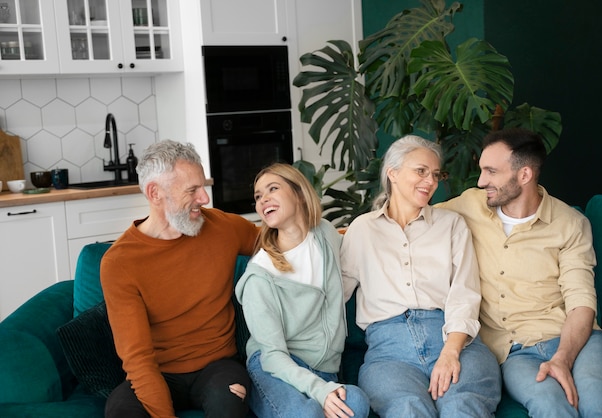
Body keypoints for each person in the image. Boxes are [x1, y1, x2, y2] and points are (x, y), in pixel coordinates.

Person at [437, 128, 602, 417]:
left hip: (579, 340)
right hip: (515, 352)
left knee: (600, 404)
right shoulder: (469, 206)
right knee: (551, 407)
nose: (481, 181)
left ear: (524, 175)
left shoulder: (570, 224)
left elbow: (581, 302)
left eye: (491, 171)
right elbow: (412, 216)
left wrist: (562, 358)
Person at [341, 135, 502, 418]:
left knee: (460, 407)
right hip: (389, 353)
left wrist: (451, 352)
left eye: (435, 174)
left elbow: (464, 292)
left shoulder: (451, 225)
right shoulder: (362, 230)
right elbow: (335, 292)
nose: (430, 181)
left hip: (454, 340)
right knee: (407, 409)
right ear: (392, 173)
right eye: (420, 171)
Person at [101, 140, 259, 418]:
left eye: (203, 187)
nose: (204, 198)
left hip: (218, 367)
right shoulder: (120, 262)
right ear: (155, 193)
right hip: (158, 372)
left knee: (230, 405)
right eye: (192, 190)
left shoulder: (223, 227)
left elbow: (280, 240)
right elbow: (137, 359)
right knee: (120, 412)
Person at [235, 163, 371, 418]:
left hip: (324, 369)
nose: (263, 199)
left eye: (272, 189)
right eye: (258, 196)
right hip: (275, 369)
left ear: (298, 192)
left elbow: (358, 259)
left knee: (357, 403)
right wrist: (320, 391)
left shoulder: (325, 234)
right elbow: (273, 356)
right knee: (305, 414)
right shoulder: (260, 276)